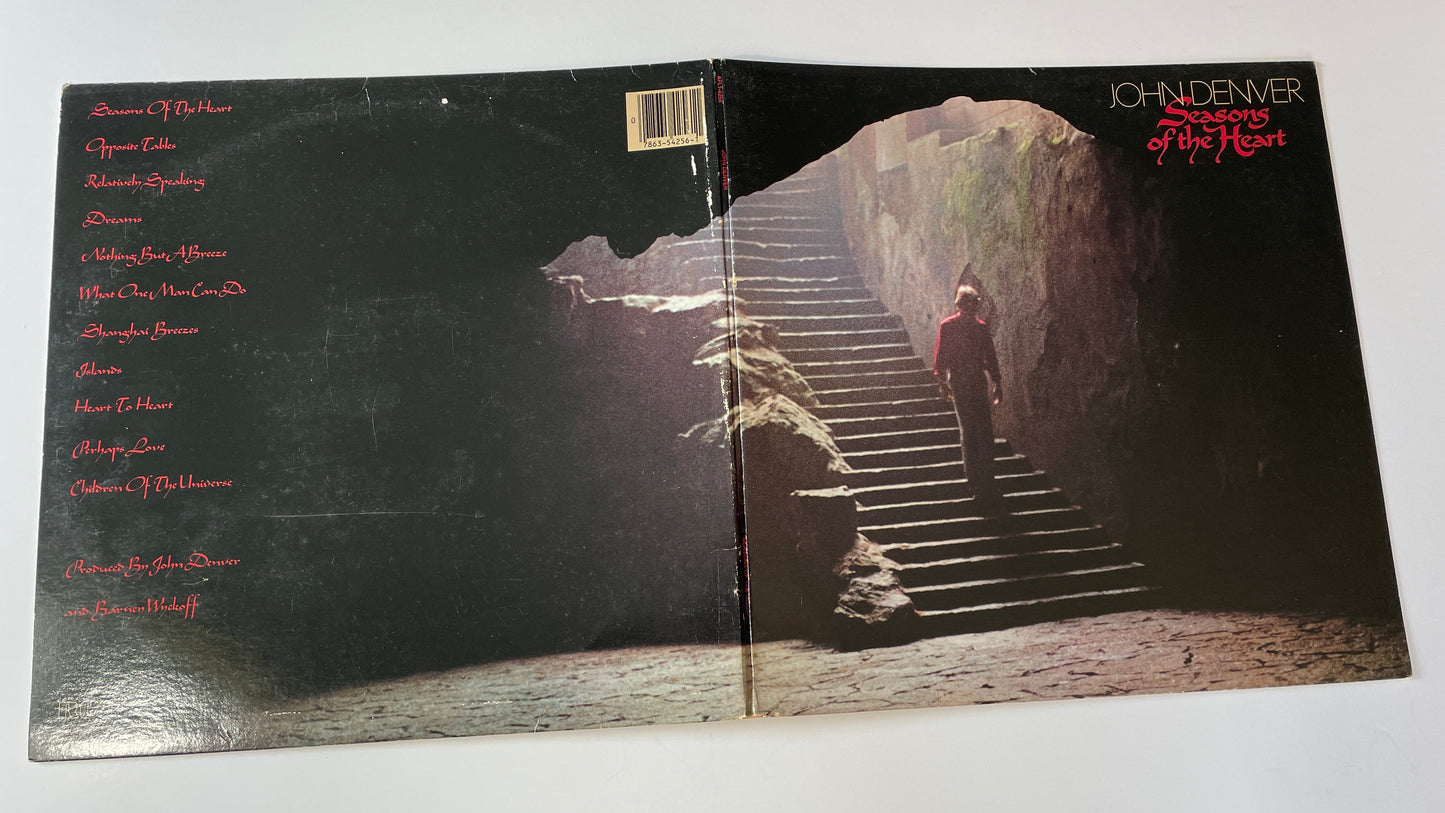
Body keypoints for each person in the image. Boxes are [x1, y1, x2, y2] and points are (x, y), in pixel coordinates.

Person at [932, 284, 1004, 505]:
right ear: (960, 305)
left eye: (973, 304)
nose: (971, 308)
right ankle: (977, 485)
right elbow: (941, 356)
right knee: (970, 432)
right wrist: (943, 382)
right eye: (967, 304)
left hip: (975, 381)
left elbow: (989, 355)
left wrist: (997, 381)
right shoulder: (949, 326)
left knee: (984, 432)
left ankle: (987, 483)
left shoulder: (981, 328)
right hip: (961, 382)